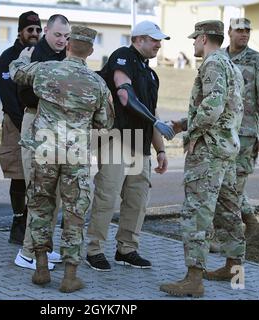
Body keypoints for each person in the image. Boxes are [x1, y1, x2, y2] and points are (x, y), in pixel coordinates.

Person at [9, 25, 114, 293]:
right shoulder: (97, 83)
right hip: (76, 156)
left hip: (45, 152)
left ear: (68, 46)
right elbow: (105, 122)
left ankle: (41, 267)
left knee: (41, 206)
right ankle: (69, 276)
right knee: (74, 212)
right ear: (90, 51)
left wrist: (23, 56)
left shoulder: (45, 70)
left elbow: (16, 72)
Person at [160, 20, 245, 297]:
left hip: (208, 152)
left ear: (205, 38)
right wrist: (184, 123)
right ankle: (235, 274)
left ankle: (193, 280)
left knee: (197, 214)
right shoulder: (231, 65)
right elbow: (226, 109)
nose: (193, 43)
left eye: (195, 38)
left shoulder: (212, 64)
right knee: (228, 211)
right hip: (227, 149)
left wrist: (192, 134)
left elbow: (212, 107)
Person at [85, 20, 172, 272]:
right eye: (153, 39)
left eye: (160, 40)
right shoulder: (123, 56)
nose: (158, 44)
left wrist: (161, 150)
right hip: (115, 137)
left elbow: (149, 112)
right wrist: (155, 120)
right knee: (107, 194)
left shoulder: (151, 74)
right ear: (137, 39)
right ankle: (94, 249)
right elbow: (124, 95)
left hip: (140, 143)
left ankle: (127, 249)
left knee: (137, 199)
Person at [14, 14, 71, 271]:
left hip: (59, 128)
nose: (62, 40)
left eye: (67, 36)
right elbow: (25, 93)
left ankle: (43, 248)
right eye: (58, 34)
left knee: (55, 192)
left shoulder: (66, 57)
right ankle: (27, 253)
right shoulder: (32, 55)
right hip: (36, 123)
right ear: (46, 30)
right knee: (39, 193)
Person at [224, 17, 259, 242]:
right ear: (229, 32)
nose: (244, 34)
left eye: (247, 30)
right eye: (239, 30)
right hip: (221, 132)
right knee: (223, 184)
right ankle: (252, 226)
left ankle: (233, 235)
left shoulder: (257, 61)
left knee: (233, 185)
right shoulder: (219, 58)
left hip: (245, 136)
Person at [0, 11, 42, 247]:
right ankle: (17, 222)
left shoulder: (45, 56)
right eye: (30, 30)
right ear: (20, 32)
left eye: (37, 30)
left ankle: (31, 221)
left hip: (43, 123)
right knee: (18, 175)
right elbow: (8, 97)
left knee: (39, 176)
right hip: (16, 123)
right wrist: (24, 124)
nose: (34, 34)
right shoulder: (8, 57)